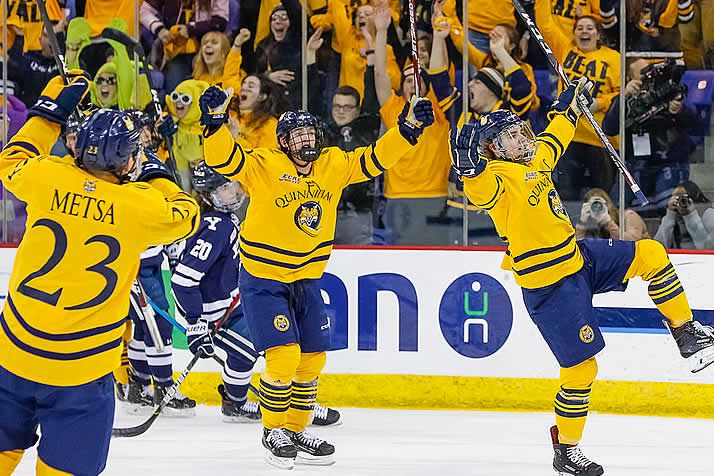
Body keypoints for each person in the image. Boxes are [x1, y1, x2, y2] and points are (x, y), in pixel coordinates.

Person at [450, 77, 714, 476]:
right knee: (582, 369)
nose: (521, 141)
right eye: (509, 138)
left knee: (651, 253)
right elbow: (479, 189)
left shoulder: (535, 158)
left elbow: (557, 132)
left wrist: (570, 104)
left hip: (579, 259)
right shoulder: (497, 178)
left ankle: (685, 330)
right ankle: (567, 450)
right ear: (492, 149)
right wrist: (467, 166)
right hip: (549, 285)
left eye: (521, 132)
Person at [199, 84, 434, 468]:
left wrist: (408, 130)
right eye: (298, 135)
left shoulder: (332, 165)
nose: (307, 139)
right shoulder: (266, 164)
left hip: (306, 280)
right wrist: (212, 124)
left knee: (313, 360)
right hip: (264, 281)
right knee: (284, 357)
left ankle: (294, 429)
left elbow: (374, 159)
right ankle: (273, 429)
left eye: (311, 133)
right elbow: (226, 160)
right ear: (285, 143)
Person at [0, 73, 199, 475]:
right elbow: (187, 215)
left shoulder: (47, 175)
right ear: (128, 160)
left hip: (13, 354)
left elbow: (11, 160)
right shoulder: (139, 206)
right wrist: (156, 171)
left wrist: (50, 112)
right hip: (82, 371)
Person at [172, 162, 342, 426]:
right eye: (225, 188)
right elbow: (184, 280)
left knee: (282, 343)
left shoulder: (226, 221)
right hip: (208, 315)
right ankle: (239, 403)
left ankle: (282, 402)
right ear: (208, 194)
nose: (235, 191)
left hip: (228, 305)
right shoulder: (216, 226)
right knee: (258, 346)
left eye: (233, 184)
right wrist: (195, 323)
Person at [535, 0, 620, 201]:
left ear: (598, 34)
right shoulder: (565, 48)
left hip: (601, 139)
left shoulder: (614, 58)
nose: (584, 31)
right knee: (564, 195)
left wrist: (601, 103)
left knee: (602, 197)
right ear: (573, 33)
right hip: (569, 137)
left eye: (590, 28)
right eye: (580, 28)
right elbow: (545, 24)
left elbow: (621, 93)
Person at [654, 181, 714, 249]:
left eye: (684, 197)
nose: (681, 201)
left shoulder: (708, 213)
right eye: (676, 197)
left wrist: (691, 215)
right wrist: (669, 216)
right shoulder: (672, 216)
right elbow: (658, 248)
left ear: (694, 196)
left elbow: (708, 248)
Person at [576, 188, 650, 241]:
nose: (597, 208)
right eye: (592, 205)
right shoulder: (590, 222)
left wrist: (609, 223)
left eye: (600, 204)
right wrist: (582, 224)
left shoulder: (628, 216)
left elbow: (632, 242)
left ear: (608, 205)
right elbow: (577, 249)